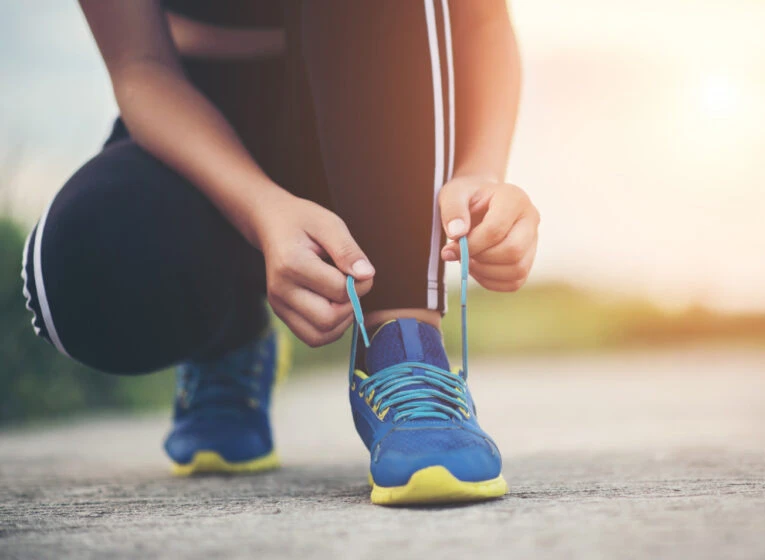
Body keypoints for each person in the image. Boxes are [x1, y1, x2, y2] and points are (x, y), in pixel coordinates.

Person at [21, 0, 538, 505]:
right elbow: (140, 66)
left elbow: (482, 18)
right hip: (207, 114)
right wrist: (262, 209)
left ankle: (404, 347)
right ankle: (231, 336)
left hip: (382, 110)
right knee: (79, 272)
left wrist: (480, 175)